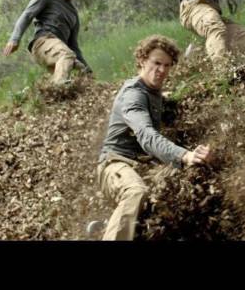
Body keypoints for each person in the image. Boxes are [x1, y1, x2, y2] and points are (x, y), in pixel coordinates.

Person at [89, 35, 214, 240]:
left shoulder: (154, 92)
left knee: (182, 185)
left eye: (167, 65)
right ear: (142, 60)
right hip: (115, 165)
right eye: (156, 63)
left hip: (143, 166)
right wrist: (185, 155)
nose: (162, 70)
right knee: (135, 191)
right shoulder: (133, 95)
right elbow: (147, 137)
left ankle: (108, 227)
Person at [2, 0, 91, 85]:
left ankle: (53, 96)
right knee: (66, 55)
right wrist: (14, 39)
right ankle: (59, 88)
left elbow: (73, 45)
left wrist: (88, 70)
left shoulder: (73, 14)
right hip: (43, 42)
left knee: (82, 71)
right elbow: (27, 15)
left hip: (60, 50)